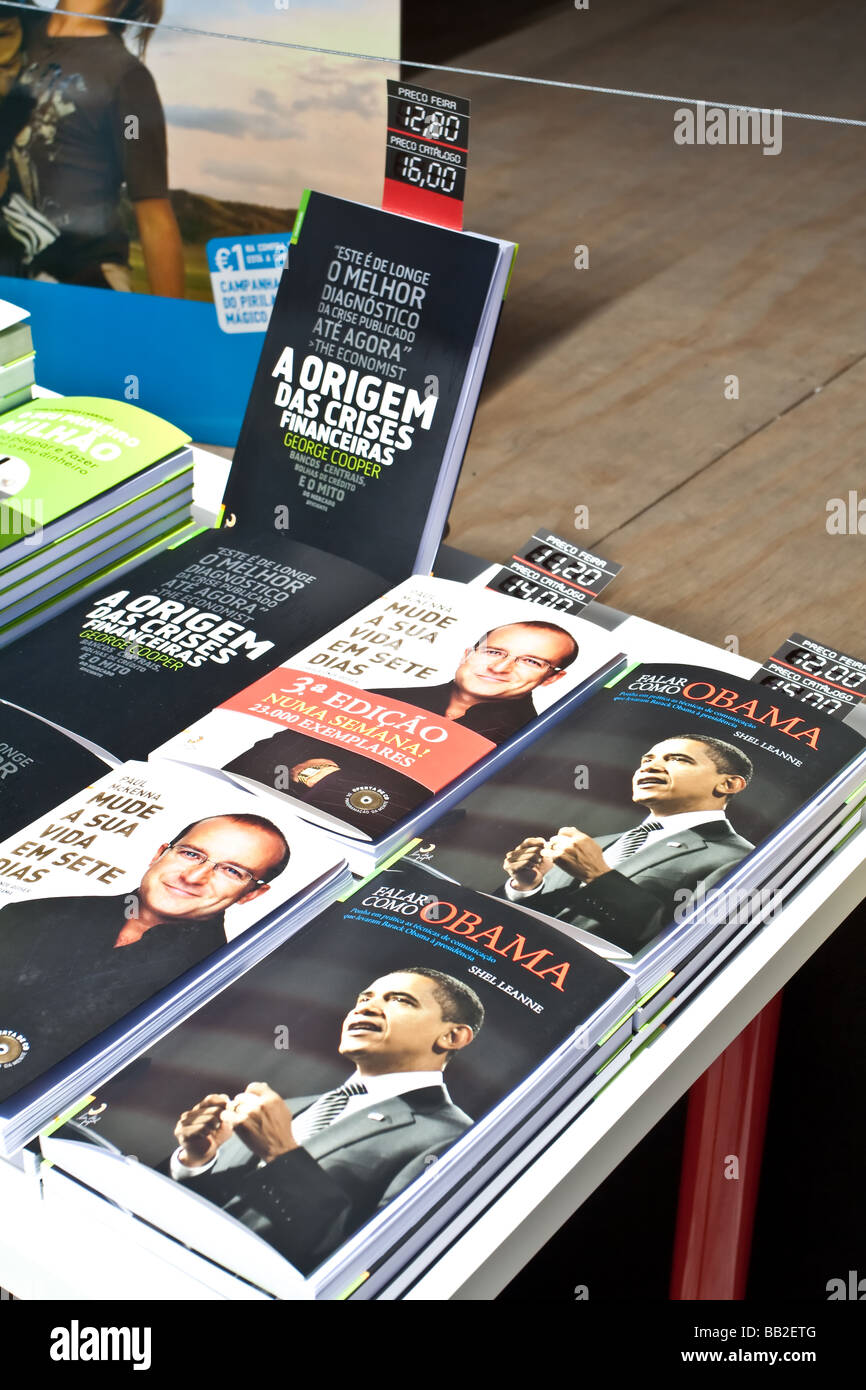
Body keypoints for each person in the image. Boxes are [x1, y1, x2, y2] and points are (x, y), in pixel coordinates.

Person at [170, 966, 483, 1272]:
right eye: (364, 998)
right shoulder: (288, 1108)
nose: (367, 1008)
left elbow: (362, 1263)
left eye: (400, 1000)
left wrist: (281, 1154)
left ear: (452, 1035)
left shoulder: (456, 1139)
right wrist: (198, 1161)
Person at [0, 812, 290, 1096]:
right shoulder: (33, 912)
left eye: (232, 871)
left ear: (252, 894)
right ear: (160, 853)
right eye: (190, 854)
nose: (193, 876)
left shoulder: (209, 993)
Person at [223, 620, 579, 824]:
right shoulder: (381, 696)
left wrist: (333, 780)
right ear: (468, 654)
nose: (500, 668)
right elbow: (257, 757)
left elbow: (451, 823)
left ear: (551, 679)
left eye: (530, 661)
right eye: (493, 651)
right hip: (248, 812)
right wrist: (303, 773)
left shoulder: (526, 745)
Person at [501, 734, 755, 954]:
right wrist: (528, 886)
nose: (650, 767)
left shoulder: (740, 859)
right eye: (647, 760)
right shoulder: (597, 844)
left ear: (728, 783)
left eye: (677, 759)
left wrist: (597, 875)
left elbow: (685, 947)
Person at [0, 0, 184, 293]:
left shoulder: (126, 81)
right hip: (11, 271)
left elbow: (153, 215)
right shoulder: (16, 26)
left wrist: (173, 330)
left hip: (86, 282)